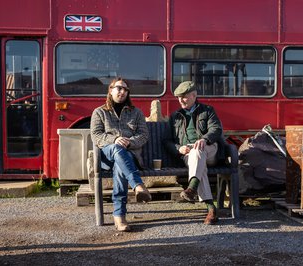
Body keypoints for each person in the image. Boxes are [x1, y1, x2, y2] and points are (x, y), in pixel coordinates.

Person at [90, 77, 151, 232]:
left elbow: (143, 135)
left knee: (120, 165)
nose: (122, 92)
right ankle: (137, 185)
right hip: (106, 155)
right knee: (117, 149)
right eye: (119, 88)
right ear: (111, 90)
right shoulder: (100, 112)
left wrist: (129, 142)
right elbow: (96, 136)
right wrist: (115, 139)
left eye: (125, 90)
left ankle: (119, 216)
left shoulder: (136, 112)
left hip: (128, 155)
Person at [164, 81, 226, 225]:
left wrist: (205, 139)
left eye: (184, 97)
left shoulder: (208, 110)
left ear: (194, 95)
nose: (181, 100)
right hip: (188, 154)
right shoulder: (175, 116)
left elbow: (216, 129)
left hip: (210, 150)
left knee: (199, 152)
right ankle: (211, 208)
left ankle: (192, 189)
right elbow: (166, 141)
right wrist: (179, 148)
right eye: (179, 97)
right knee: (198, 162)